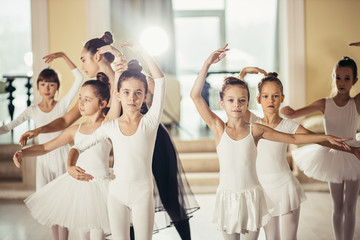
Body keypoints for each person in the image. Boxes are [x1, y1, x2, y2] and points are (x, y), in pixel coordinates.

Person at [19, 32, 198, 239]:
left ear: (97, 56)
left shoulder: (124, 76)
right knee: (123, 209)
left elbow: (156, 85)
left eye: (84, 59)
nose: (83, 66)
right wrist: (39, 130)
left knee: (169, 199)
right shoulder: (96, 91)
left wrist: (127, 60)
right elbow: (67, 121)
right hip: (122, 149)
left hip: (150, 139)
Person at [190, 45, 352, 240]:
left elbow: (295, 138)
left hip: (261, 193)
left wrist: (327, 138)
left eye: (275, 96)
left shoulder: (257, 129)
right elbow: (213, 96)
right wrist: (211, 64)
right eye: (266, 96)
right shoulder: (230, 125)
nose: (237, 104)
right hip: (237, 195)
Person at [240, 69, 360, 240]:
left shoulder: (288, 126)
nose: (270, 100)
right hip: (262, 189)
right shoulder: (253, 122)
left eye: (275, 96)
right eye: (265, 96)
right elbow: (238, 97)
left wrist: (351, 149)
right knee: (271, 238)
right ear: (258, 99)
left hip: (285, 188)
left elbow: (316, 139)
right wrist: (243, 74)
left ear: (282, 98)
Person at [67, 42, 165, 240]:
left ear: (145, 96)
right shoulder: (110, 127)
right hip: (116, 194)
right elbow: (79, 146)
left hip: (143, 194)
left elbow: (160, 81)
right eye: (126, 93)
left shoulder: (150, 122)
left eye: (138, 93)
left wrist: (144, 51)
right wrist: (70, 165)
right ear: (118, 95)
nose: (132, 98)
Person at [13, 77, 112, 240]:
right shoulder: (75, 130)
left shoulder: (109, 126)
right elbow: (45, 147)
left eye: (87, 100)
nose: (80, 103)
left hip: (102, 187)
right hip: (79, 188)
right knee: (83, 234)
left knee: (98, 235)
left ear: (102, 104)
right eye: (80, 98)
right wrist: (23, 152)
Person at [0, 52, 83, 240]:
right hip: (43, 160)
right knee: (50, 206)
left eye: (51, 84)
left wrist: (63, 56)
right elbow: (8, 127)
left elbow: (79, 79)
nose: (47, 88)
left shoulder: (62, 106)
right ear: (37, 86)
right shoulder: (32, 110)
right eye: (43, 84)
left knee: (63, 204)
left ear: (57, 88)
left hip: (62, 157)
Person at [281, 56, 360, 240]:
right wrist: (287, 111)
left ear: (355, 80)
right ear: (333, 77)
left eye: (347, 78)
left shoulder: (356, 103)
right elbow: (294, 114)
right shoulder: (325, 104)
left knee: (350, 207)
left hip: (355, 154)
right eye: (338, 77)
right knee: (337, 206)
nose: (342, 82)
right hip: (333, 156)